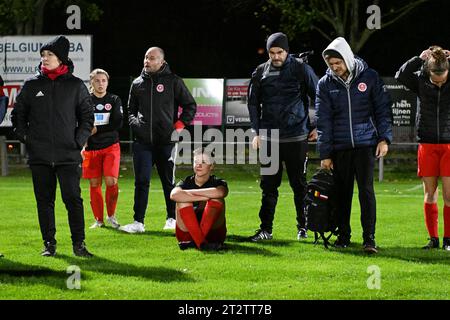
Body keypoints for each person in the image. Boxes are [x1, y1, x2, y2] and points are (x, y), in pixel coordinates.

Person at [11, 35, 94, 257]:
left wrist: (77, 141)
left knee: (73, 200)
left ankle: (79, 244)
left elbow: (87, 117)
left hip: (68, 155)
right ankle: (49, 244)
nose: (45, 59)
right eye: (43, 55)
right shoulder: (31, 85)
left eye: (50, 55)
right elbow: (17, 116)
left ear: (61, 59)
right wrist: (28, 139)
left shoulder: (76, 85)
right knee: (45, 202)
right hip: (40, 156)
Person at [316, 37, 392, 254]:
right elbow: (324, 121)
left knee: (366, 192)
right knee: (342, 194)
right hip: (340, 149)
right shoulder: (325, 84)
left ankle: (369, 239)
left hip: (366, 145)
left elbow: (382, 110)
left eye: (337, 62)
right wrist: (325, 153)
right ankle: (344, 237)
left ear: (347, 58)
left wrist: (384, 138)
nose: (334, 67)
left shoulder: (369, 77)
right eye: (330, 64)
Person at [247, 32, 319, 241]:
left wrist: (317, 125)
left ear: (287, 51)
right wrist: (256, 131)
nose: (276, 56)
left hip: (297, 137)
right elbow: (252, 103)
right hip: (270, 140)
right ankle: (266, 230)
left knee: (299, 185)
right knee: (268, 187)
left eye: (280, 52)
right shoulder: (260, 71)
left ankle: (303, 228)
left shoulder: (301, 69)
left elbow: (320, 96)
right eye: (272, 52)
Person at [120, 47, 197, 233]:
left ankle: (171, 218)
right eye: (146, 57)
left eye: (152, 58)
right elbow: (130, 110)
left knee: (168, 182)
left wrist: (178, 126)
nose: (147, 60)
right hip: (143, 143)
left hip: (166, 142)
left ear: (161, 62)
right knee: (141, 181)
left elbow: (190, 106)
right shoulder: (137, 83)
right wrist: (136, 125)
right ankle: (138, 222)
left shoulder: (173, 81)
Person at [395, 46, 450, 251]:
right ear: (429, 72)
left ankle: (448, 240)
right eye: (436, 79)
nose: (439, 82)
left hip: (448, 144)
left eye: (443, 79)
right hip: (426, 143)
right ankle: (433, 239)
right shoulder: (420, 80)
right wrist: (418, 58)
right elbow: (400, 75)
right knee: (429, 193)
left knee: (449, 195)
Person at [82, 69, 123, 229]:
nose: (101, 84)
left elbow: (117, 123)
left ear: (107, 82)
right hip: (91, 149)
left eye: (103, 80)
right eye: (97, 81)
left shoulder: (114, 99)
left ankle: (111, 216)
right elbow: (80, 121)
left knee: (111, 180)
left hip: (111, 146)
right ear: (91, 82)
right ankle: (99, 220)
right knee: (94, 183)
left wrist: (97, 129)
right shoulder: (85, 101)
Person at [170, 148, 228, 250]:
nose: (198, 165)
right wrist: (205, 196)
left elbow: (221, 192)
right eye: (196, 162)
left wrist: (189, 194)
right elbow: (174, 195)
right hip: (186, 234)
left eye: (203, 162)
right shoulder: (186, 181)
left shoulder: (217, 182)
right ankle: (201, 243)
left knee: (217, 200)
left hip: (213, 234)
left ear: (211, 166)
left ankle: (196, 242)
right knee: (182, 201)